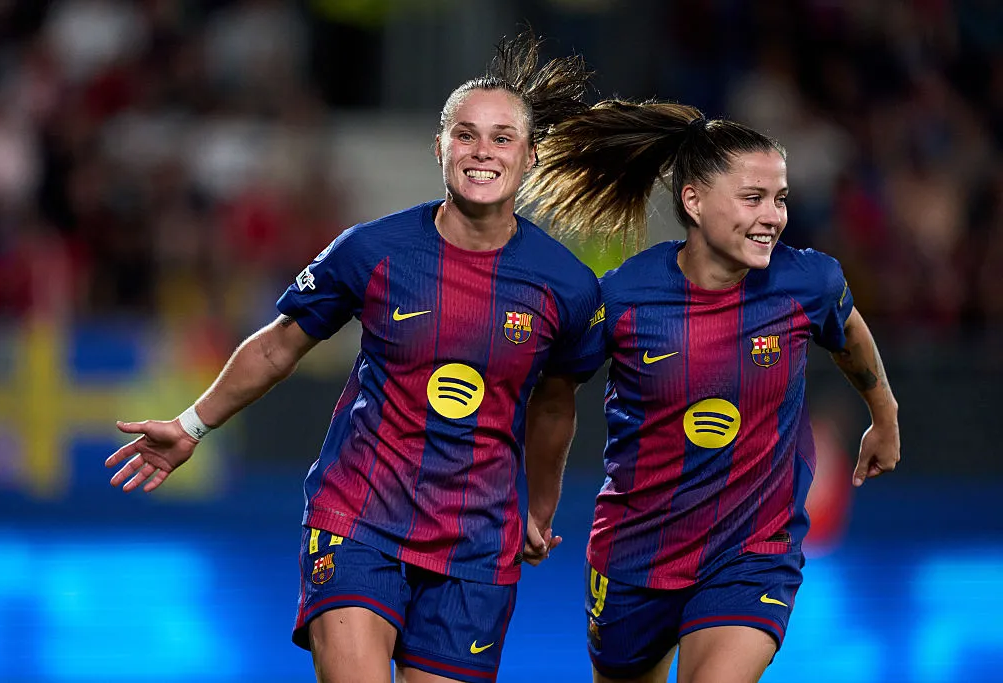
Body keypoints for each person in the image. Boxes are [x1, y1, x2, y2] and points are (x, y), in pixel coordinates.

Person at [104, 32, 606, 683]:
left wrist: (538, 509)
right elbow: (282, 342)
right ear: (440, 147)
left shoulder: (566, 286)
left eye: (502, 137)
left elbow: (557, 403)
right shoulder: (373, 250)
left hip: (478, 545)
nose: (482, 150)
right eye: (465, 133)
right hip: (360, 518)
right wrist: (192, 424)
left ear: (530, 157)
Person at [518, 100, 901, 683]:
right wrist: (540, 502)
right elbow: (554, 393)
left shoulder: (808, 281)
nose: (772, 216)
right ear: (693, 200)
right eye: (753, 198)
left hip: (752, 553)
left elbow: (846, 328)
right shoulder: (622, 299)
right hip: (635, 556)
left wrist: (885, 412)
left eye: (780, 198)